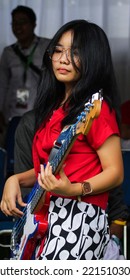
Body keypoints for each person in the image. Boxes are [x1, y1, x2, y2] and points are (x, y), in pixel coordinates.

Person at [0, 19, 124, 260]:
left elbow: (116, 172)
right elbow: (44, 172)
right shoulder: (54, 110)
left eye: (75, 52)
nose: (63, 59)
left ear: (93, 58)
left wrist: (75, 189)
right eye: (58, 50)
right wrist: (14, 179)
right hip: (45, 217)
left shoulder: (96, 109)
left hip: (80, 218)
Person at [0, 5, 50, 147]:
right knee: (14, 150)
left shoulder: (47, 46)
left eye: (22, 22)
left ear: (34, 24)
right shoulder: (8, 52)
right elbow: (2, 83)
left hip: (41, 110)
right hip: (14, 112)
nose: (18, 27)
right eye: (14, 23)